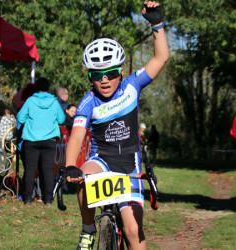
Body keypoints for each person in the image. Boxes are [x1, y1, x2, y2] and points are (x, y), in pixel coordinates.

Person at [64, 2, 169, 249]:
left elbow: (161, 57)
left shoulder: (132, 85)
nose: (104, 80)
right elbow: (77, 137)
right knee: (85, 179)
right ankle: (88, 229)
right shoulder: (88, 103)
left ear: (120, 72)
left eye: (110, 73)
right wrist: (69, 166)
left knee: (133, 232)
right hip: (102, 160)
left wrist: (157, 24)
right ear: (90, 76)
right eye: (96, 75)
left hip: (129, 165)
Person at [17, 77, 65, 205]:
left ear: (36, 87)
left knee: (30, 170)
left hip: (31, 140)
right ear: (49, 87)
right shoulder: (54, 102)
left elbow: (20, 118)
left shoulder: (30, 101)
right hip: (49, 140)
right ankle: (48, 199)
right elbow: (61, 119)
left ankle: (27, 199)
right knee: (48, 170)